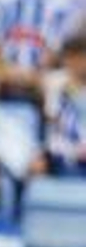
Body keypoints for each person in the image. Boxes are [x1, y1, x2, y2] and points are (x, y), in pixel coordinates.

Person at [0, 0, 75, 102]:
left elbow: (56, 47)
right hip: (3, 68)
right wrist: (8, 71)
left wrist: (35, 73)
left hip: (42, 72)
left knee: (56, 83)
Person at [40, 32, 86, 176]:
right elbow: (52, 120)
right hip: (64, 148)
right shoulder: (54, 82)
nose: (77, 63)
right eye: (71, 58)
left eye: (81, 58)